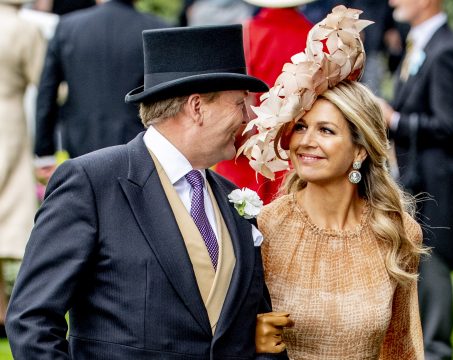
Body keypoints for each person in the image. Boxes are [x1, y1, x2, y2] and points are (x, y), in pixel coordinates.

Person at [7, 25, 289, 359]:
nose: (249, 118)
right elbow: (32, 320)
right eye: (240, 104)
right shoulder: (92, 182)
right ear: (197, 107)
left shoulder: (233, 199)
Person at [240, 6, 426, 358]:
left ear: (359, 151)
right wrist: (255, 341)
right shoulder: (265, 228)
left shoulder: (397, 232)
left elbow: (403, 347)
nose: (305, 141)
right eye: (299, 127)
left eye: (325, 130)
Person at [379, 0, 453, 359]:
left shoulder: (446, 50)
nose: (392, 1)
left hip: (436, 189)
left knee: (433, 272)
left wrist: (395, 120)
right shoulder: (420, 42)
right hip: (416, 185)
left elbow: (449, 125)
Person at [34, 0, 167, 174]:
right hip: (137, 140)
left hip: (80, 137)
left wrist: (44, 151)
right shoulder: (156, 28)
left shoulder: (67, 26)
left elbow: (47, 92)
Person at [214, 0, 314, 204]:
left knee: (239, 221)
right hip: (292, 149)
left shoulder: (246, 33)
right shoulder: (314, 38)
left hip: (249, 151)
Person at [0, 0, 46, 335]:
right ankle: (10, 310)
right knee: (11, 210)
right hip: (8, 122)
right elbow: (43, 80)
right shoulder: (23, 28)